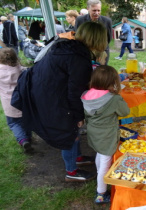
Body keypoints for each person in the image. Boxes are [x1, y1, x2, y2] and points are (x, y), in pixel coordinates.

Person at [12, 22, 108, 182]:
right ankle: (71, 172)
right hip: (50, 96)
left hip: (43, 91)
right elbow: (75, 93)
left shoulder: (68, 47)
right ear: (98, 39)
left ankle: (77, 157)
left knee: (72, 130)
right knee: (69, 131)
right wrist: (78, 117)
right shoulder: (78, 58)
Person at [81, 65, 130, 203]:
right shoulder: (113, 99)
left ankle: (99, 175)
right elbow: (125, 112)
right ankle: (101, 193)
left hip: (93, 133)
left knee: (100, 154)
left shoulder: (86, 94)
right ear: (112, 82)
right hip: (107, 135)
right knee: (105, 163)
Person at [0, 47, 33, 152]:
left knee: (14, 123)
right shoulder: (21, 70)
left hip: (9, 105)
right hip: (22, 102)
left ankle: (23, 140)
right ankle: (28, 137)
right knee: (26, 120)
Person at [75, 0, 112, 65]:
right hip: (85, 52)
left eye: (99, 10)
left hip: (102, 52)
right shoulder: (80, 20)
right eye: (94, 10)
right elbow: (77, 36)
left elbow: (108, 38)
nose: (97, 13)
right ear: (88, 9)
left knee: (101, 72)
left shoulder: (107, 21)